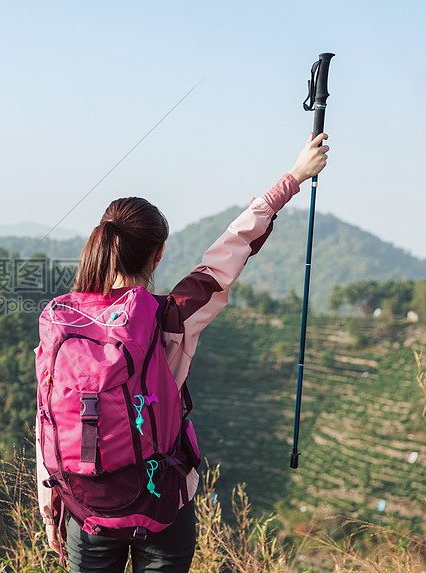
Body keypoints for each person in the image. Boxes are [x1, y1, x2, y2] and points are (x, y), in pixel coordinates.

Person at [36, 133, 330, 572]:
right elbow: (229, 253)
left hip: (87, 511)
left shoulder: (61, 321)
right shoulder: (167, 319)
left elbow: (48, 419)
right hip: (161, 509)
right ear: (159, 255)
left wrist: (51, 508)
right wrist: (293, 178)